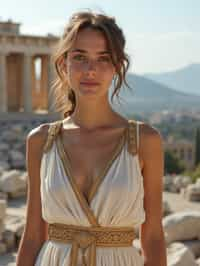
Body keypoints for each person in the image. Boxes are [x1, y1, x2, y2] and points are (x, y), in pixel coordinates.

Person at [16, 10, 167, 266]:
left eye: (103, 58)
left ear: (117, 67)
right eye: (80, 57)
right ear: (64, 64)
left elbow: (152, 236)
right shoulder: (40, 141)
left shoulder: (145, 141)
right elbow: (32, 236)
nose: (91, 70)